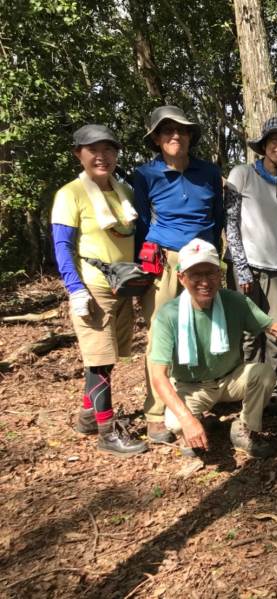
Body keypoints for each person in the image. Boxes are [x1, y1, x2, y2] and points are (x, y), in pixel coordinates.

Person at [149, 239, 277, 458]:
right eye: (195, 275)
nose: (204, 282)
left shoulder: (235, 301)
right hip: (192, 387)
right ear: (181, 278)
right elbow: (158, 376)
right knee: (176, 423)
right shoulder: (169, 314)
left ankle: (244, 428)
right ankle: (198, 420)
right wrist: (187, 420)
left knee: (264, 374)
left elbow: (274, 328)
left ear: (220, 274)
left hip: (230, 379)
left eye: (210, 273)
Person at [52, 124, 147, 456]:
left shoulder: (124, 193)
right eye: (93, 150)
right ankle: (107, 431)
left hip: (123, 286)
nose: (102, 156)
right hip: (93, 286)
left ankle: (88, 416)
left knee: (105, 359)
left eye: (108, 149)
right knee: (99, 359)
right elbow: (62, 245)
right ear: (78, 154)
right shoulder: (71, 194)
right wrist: (75, 288)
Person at [134, 105, 224, 444]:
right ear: (157, 138)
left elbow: (217, 218)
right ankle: (156, 413)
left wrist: (215, 262)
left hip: (203, 261)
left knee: (202, 331)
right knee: (161, 334)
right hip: (166, 260)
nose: (175, 136)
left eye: (181, 130)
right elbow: (141, 222)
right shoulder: (145, 175)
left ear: (190, 136)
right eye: (167, 131)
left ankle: (196, 402)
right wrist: (142, 268)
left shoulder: (209, 172)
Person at [225, 116, 277, 395]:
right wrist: (241, 267)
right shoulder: (242, 174)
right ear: (264, 144)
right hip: (246, 265)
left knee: (276, 331)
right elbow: (231, 223)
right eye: (275, 140)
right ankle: (248, 387)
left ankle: (270, 386)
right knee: (248, 332)